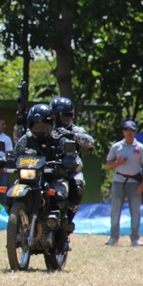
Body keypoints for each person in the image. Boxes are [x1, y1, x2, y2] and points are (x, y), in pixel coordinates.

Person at [13, 104, 73, 251]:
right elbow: (15, 155)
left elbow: (72, 156)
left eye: (43, 126)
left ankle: (62, 238)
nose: (39, 129)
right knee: (12, 192)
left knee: (60, 197)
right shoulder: (25, 139)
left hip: (53, 178)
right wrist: (6, 160)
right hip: (30, 179)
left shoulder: (59, 139)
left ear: (51, 124)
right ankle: (15, 225)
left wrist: (68, 161)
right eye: (36, 125)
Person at [105, 119, 143, 247]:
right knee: (115, 209)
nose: (129, 133)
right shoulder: (117, 147)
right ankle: (113, 237)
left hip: (134, 182)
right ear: (123, 132)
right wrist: (118, 163)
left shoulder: (140, 148)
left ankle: (135, 238)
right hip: (118, 181)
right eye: (126, 130)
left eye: (132, 130)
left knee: (135, 210)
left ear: (135, 132)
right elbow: (108, 163)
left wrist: (142, 185)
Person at [50, 96, 94, 231]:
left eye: (65, 117)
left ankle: (68, 221)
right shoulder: (47, 129)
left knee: (77, 186)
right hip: (50, 167)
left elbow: (90, 142)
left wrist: (70, 134)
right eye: (58, 117)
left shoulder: (76, 130)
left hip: (70, 168)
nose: (61, 120)